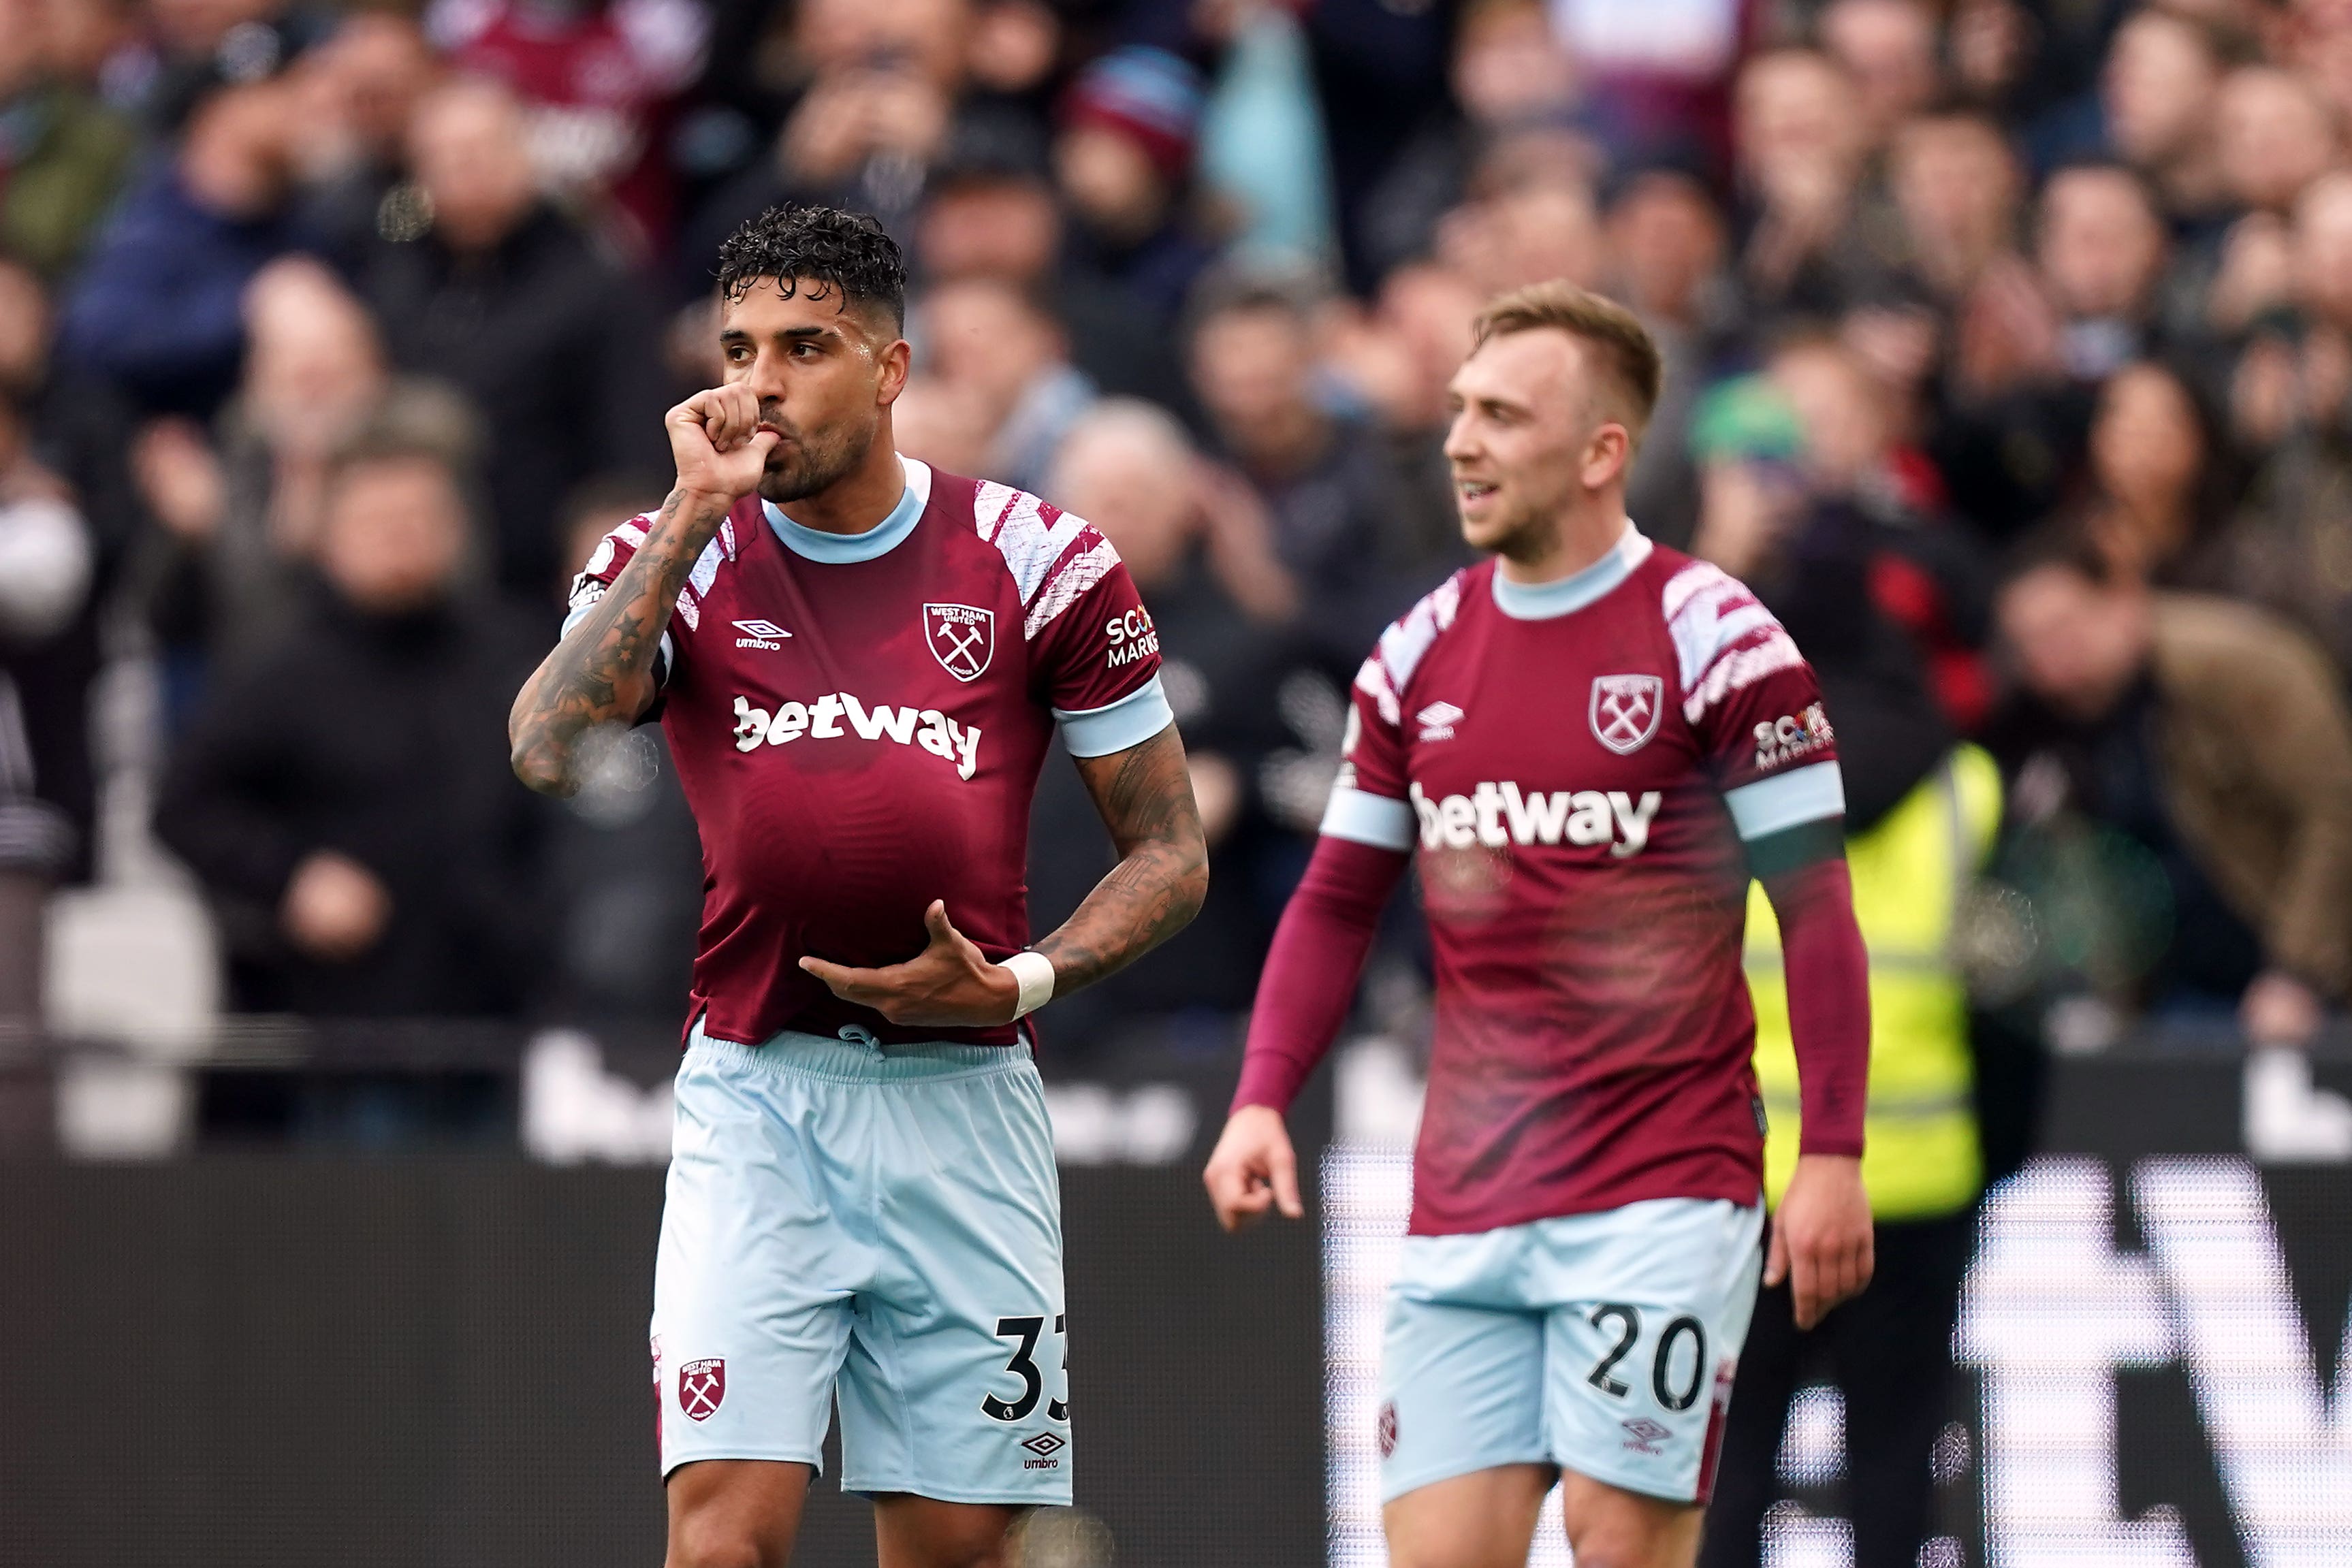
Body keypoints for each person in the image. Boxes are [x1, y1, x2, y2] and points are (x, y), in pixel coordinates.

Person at [506, 205, 1208, 1568]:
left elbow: (1168, 849)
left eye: (803, 345)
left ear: (888, 370)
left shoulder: (1040, 560)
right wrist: (687, 516)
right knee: (722, 1539)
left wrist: (1022, 978)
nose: (758, 382)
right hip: (759, 1098)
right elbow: (544, 742)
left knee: (956, 1541)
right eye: (738, 346)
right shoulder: (683, 549)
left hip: (967, 1104)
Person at [1202, 283, 1874, 1568]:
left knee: (1617, 1541)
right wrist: (1258, 1094)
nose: (1457, 440)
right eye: (1457, 409)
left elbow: (1813, 907)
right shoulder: (1415, 651)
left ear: (1598, 450)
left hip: (1661, 1184)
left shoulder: (1714, 636)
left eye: (1500, 415)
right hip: (1467, 1192)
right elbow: (1339, 896)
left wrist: (1828, 1149)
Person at [157, 432, 547, 1017]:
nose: (402, 536)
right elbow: (182, 804)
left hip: (507, 1005)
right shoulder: (282, 672)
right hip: (354, 1013)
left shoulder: (518, 655)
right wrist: (290, 878)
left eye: (422, 517)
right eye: (378, 520)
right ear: (328, 537)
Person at [1993, 528, 2352, 1047]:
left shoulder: (2238, 665)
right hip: (2177, 995)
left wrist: (2297, 974)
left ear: (2121, 599)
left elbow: (2336, 809)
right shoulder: (2051, 722)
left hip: (2301, 986)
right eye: (2028, 647)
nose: (2049, 662)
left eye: (2061, 629)